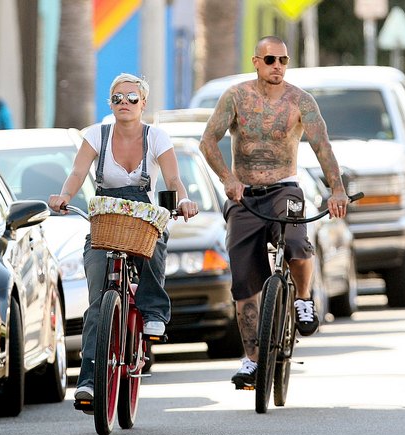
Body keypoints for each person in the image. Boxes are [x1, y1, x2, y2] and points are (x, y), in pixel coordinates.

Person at [199, 36, 349, 389]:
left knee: (297, 241)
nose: (277, 65)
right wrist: (228, 179)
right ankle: (251, 360)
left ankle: (303, 298)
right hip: (245, 197)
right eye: (270, 59)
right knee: (243, 283)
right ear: (256, 61)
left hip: (285, 189)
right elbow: (207, 141)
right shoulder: (236, 97)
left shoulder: (301, 101)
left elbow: (322, 146)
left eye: (283, 59)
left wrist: (336, 189)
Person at [48, 73, 199, 407]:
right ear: (110, 103)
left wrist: (184, 199)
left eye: (132, 98)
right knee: (97, 299)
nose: (125, 104)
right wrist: (63, 195)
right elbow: (77, 172)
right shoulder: (95, 135)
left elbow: (173, 178)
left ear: (143, 103)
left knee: (156, 241)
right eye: (118, 98)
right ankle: (88, 379)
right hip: (106, 218)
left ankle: (153, 312)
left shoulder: (157, 137)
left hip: (143, 216)